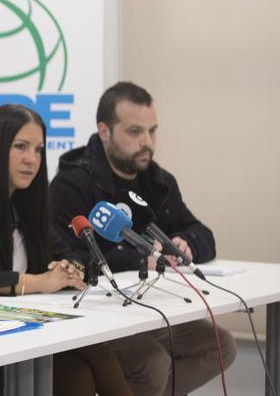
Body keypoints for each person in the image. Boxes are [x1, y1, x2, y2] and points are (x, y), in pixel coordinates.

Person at [0, 104, 134, 396]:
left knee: (97, 359)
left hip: (24, 331)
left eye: (38, 150)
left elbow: (64, 252)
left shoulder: (27, 202)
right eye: (21, 147)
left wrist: (70, 269)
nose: (31, 160)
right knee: (75, 375)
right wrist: (38, 282)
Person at [49, 81, 236, 396]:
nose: (147, 142)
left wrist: (186, 241)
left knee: (220, 345)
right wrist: (139, 260)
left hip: (150, 308)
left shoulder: (157, 181)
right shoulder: (71, 184)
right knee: (152, 363)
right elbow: (66, 256)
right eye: (135, 132)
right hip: (97, 314)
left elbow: (203, 234)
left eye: (153, 131)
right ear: (104, 131)